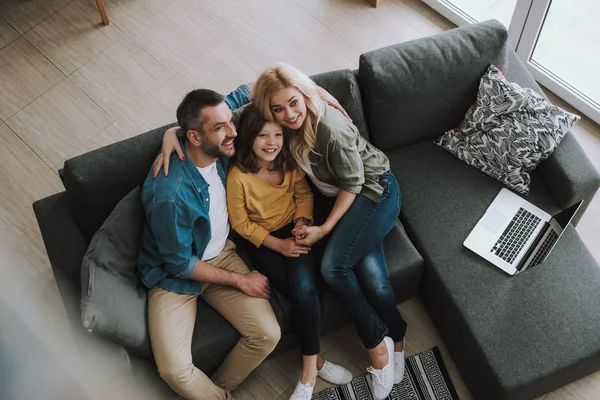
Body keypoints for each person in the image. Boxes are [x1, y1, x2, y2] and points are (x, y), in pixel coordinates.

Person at [251, 63, 408, 400]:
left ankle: (383, 346)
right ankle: (391, 336)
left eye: (293, 103)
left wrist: (324, 229)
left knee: (334, 267)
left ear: (303, 94)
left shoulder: (331, 129)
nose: (288, 114)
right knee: (371, 276)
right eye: (278, 109)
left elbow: (353, 184)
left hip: (373, 191)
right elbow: (239, 106)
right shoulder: (283, 123)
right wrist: (172, 134)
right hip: (337, 196)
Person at [137, 87, 280, 400]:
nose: (233, 132)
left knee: (268, 334)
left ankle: (217, 390)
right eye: (221, 128)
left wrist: (313, 95)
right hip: (175, 276)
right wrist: (241, 281)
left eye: (230, 122)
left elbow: (249, 90)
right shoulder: (170, 195)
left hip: (221, 254)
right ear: (195, 137)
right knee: (173, 369)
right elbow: (179, 263)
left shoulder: (220, 145)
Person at [226, 104, 352, 399]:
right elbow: (241, 224)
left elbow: (303, 194)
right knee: (304, 291)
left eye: (278, 135)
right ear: (248, 137)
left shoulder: (288, 162)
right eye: (262, 136)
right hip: (265, 241)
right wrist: (278, 245)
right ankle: (313, 367)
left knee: (305, 288)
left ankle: (310, 369)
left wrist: (301, 221)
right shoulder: (238, 178)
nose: (271, 143)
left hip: (295, 229)